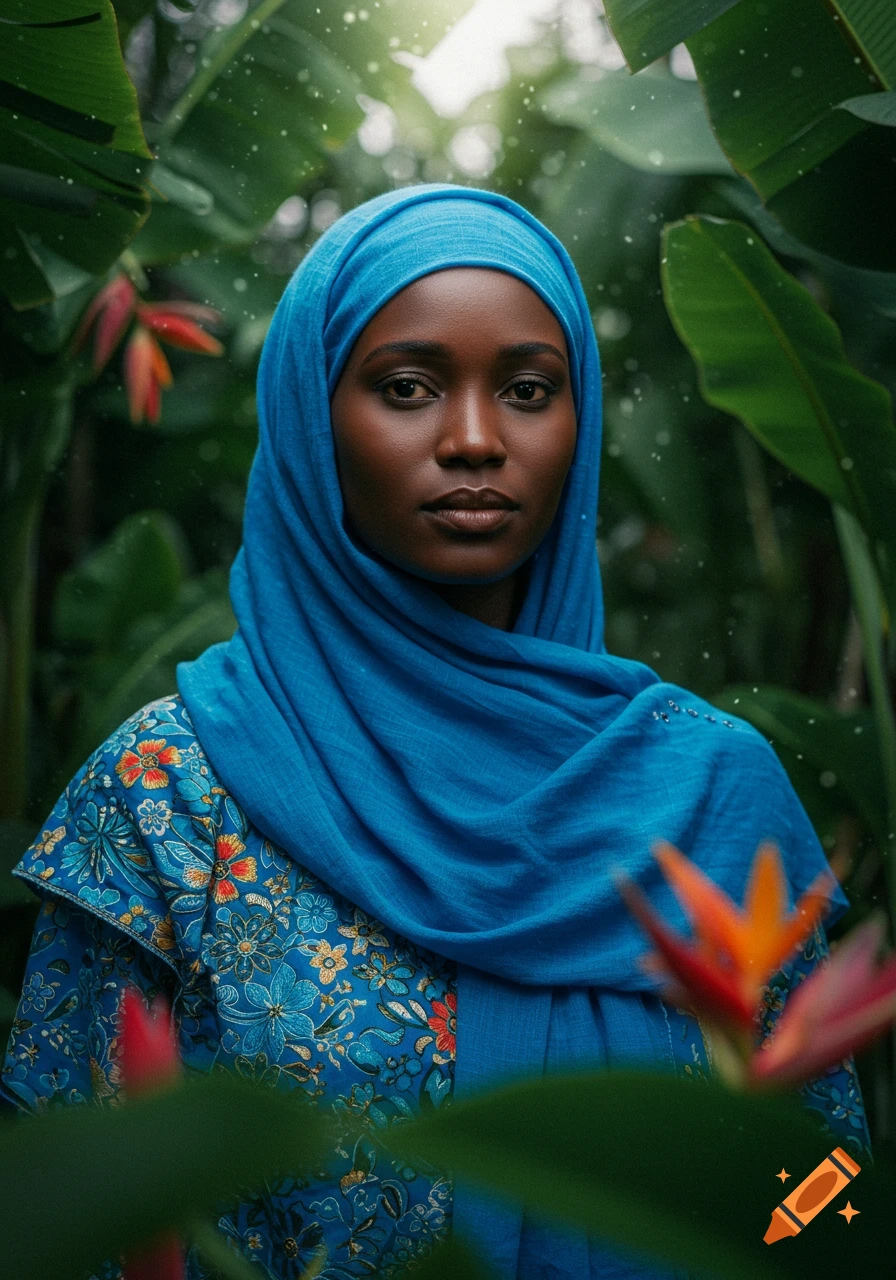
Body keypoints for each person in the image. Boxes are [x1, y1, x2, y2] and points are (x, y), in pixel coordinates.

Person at [2, 186, 868, 1279]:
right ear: (314, 421)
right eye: (406, 387)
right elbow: (60, 1209)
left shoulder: (709, 791)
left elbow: (826, 1191)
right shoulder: (171, 792)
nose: (472, 439)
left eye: (525, 390)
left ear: (578, 421)